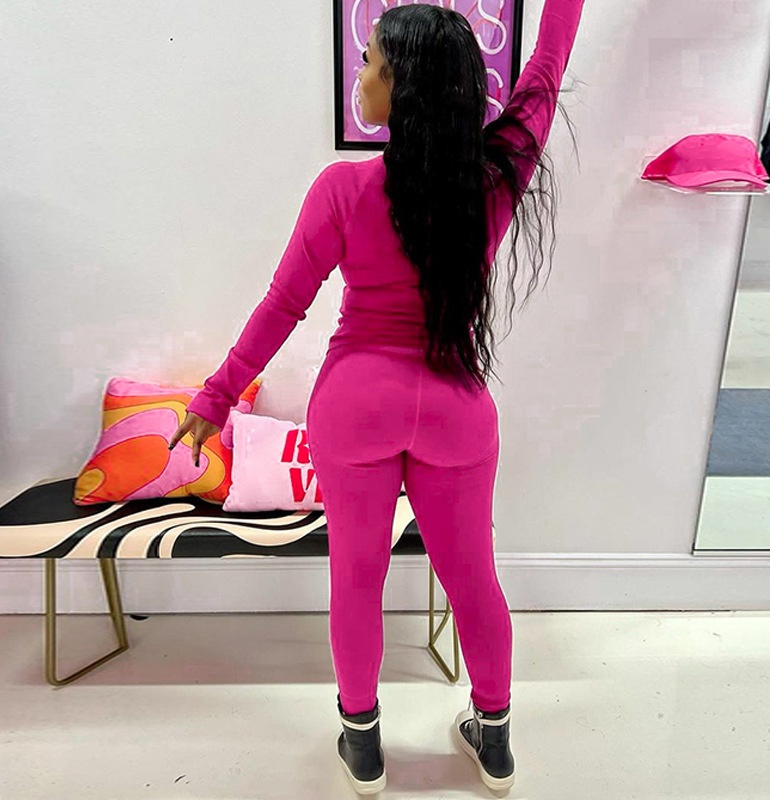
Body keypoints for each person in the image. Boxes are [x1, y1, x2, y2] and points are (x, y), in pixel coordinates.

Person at [168, 0, 585, 794]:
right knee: (473, 580)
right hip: (456, 408)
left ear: (404, 86)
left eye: (370, 63)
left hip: (354, 405)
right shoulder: (493, 181)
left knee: (356, 578)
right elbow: (544, 76)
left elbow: (283, 305)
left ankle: (363, 744)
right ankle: (494, 738)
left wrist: (215, 398)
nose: (360, 77)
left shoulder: (343, 188)